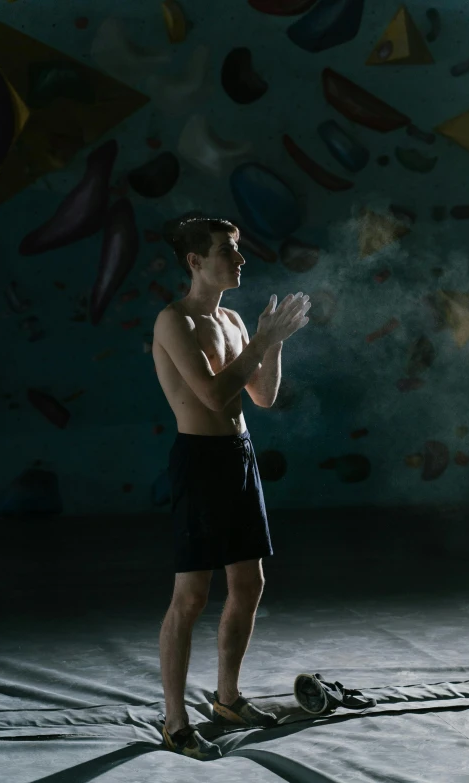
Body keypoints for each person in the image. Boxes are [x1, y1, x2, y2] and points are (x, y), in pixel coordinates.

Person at [152, 215, 311, 760]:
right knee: (192, 596)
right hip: (199, 461)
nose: (240, 260)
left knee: (249, 584)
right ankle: (174, 721)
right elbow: (215, 397)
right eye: (227, 251)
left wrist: (275, 342)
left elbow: (262, 396)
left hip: (239, 456)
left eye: (239, 250)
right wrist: (263, 339)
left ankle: (227, 698)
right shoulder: (174, 321)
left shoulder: (236, 319)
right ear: (195, 261)